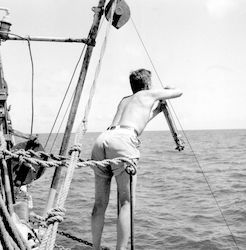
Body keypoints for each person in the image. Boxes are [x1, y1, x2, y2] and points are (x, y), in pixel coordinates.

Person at [90, 68, 182, 250]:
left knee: (99, 203)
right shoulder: (149, 93)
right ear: (148, 84)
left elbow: (138, 119)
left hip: (102, 140)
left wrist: (157, 110)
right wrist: (169, 88)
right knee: (126, 202)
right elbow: (178, 92)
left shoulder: (125, 100)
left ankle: (95, 248)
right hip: (123, 142)